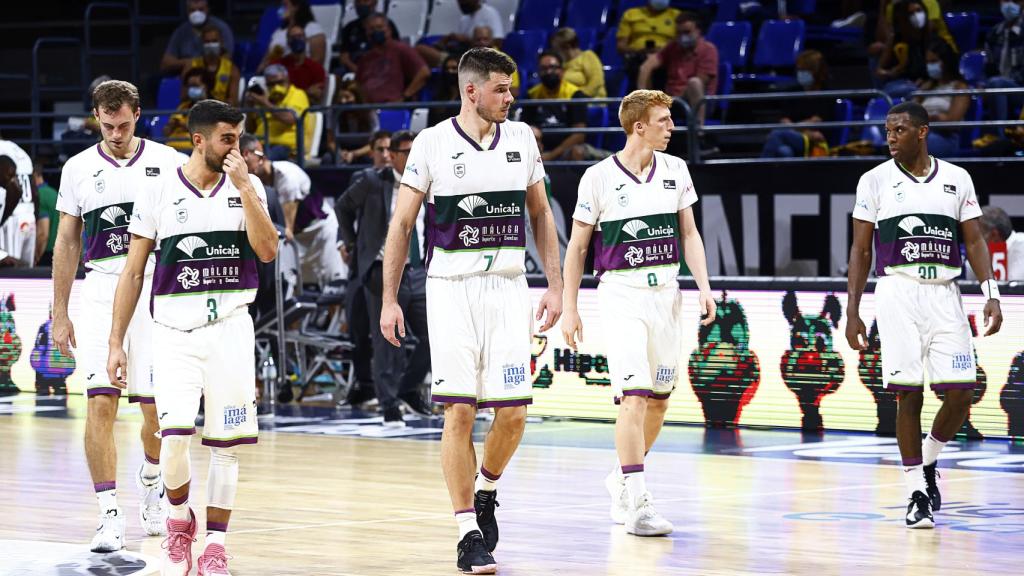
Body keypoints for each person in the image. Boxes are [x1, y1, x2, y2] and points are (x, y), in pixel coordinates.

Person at [378, 47, 562, 573]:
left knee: (514, 413)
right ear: (471, 90)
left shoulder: (523, 138)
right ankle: (466, 533)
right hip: (451, 287)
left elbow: (541, 215)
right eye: (501, 88)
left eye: (511, 88)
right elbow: (400, 226)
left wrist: (555, 285)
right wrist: (390, 299)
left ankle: (486, 489)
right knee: (460, 410)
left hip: (508, 286)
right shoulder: (432, 144)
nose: (511, 97)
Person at [106, 99, 277, 574]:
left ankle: (217, 546)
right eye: (227, 139)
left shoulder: (249, 184)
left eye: (238, 138)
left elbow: (267, 251)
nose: (236, 148)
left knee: (226, 445)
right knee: (175, 438)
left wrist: (245, 189)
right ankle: (180, 522)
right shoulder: (158, 190)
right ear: (198, 140)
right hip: (174, 333)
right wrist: (117, 341)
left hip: (230, 330)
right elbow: (133, 273)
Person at [561, 89, 715, 537]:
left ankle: (621, 476)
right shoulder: (597, 177)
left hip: (667, 293)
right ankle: (639, 500)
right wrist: (571, 307)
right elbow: (578, 247)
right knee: (634, 396)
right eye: (664, 120)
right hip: (621, 293)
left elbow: (689, 235)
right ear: (639, 126)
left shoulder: (677, 170)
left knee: (660, 401)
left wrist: (704, 287)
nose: (672, 127)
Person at [846, 101, 1003, 529]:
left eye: (898, 130)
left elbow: (973, 241)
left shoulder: (957, 178)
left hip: (946, 294)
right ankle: (916, 492)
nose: (890, 137)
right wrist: (853, 310)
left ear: (922, 132)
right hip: (897, 293)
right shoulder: (873, 180)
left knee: (960, 394)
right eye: (887, 130)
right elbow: (860, 250)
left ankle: (930, 460)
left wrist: (991, 293)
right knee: (908, 394)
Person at [51, 80, 182, 552]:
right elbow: (66, 242)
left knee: (155, 412)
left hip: (151, 291)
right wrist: (60, 312)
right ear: (96, 118)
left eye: (124, 123)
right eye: (108, 125)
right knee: (99, 403)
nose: (117, 132)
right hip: (102, 289)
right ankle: (109, 515)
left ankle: (151, 477)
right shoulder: (78, 167)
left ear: (139, 114)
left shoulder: (169, 161)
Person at [336, 130, 432, 426]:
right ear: (393, 155)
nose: (414, 156)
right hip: (382, 269)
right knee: (389, 340)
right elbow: (342, 207)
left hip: (418, 269)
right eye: (407, 151)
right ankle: (389, 403)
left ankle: (407, 388)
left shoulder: (429, 181)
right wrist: (352, 244)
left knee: (434, 334)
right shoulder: (372, 181)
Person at [241, 134, 346, 289]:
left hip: (320, 232)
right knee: (294, 287)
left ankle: (333, 313)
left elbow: (287, 229)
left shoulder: (287, 175)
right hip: (297, 239)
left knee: (332, 285)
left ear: (257, 154)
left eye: (245, 156)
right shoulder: (251, 183)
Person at [638, 12, 717, 126]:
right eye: (679, 33)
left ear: (698, 31)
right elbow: (646, 66)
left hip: (698, 101)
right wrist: (643, 94)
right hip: (673, 101)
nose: (682, 37)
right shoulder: (673, 47)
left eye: (687, 32)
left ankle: (698, 129)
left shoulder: (709, 50)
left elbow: (701, 82)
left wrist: (676, 99)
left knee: (694, 83)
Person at [875, 0, 956, 99]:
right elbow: (879, 70)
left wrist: (929, 81)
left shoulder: (934, 40)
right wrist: (891, 73)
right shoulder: (896, 38)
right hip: (903, 82)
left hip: (926, 84)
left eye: (919, 11)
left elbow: (942, 70)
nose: (917, 16)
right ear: (904, 18)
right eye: (911, 13)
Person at [761, 50, 834, 158]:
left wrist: (790, 128)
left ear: (816, 72)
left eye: (804, 70)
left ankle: (759, 169)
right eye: (799, 70)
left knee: (777, 134)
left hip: (814, 143)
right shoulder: (793, 91)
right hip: (797, 136)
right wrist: (802, 129)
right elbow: (784, 119)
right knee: (784, 151)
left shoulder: (826, 94)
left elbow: (816, 122)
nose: (800, 73)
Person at [522, 51, 588, 161]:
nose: (548, 72)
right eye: (544, 68)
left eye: (553, 67)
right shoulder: (532, 95)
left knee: (578, 151)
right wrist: (535, 143)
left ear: (562, 71)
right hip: (540, 150)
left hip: (565, 149)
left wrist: (551, 155)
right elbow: (525, 129)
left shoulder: (575, 94)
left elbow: (579, 135)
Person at [355, 13, 431, 104]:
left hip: (391, 107)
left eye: (379, 27)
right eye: (371, 29)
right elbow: (357, 85)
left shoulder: (401, 49)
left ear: (389, 30)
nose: (375, 31)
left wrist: (404, 97)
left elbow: (424, 72)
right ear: (367, 33)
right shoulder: (365, 58)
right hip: (367, 109)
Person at [247, 64, 313, 160]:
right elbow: (250, 129)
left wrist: (265, 103)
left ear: (287, 80)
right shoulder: (264, 98)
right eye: (271, 84)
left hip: (287, 147)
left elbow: (290, 119)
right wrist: (250, 107)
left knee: (263, 159)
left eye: (280, 82)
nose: (276, 87)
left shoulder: (298, 94)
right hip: (261, 144)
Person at [915, 41, 969, 158]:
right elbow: (910, 114)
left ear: (946, 62)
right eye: (928, 62)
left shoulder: (959, 87)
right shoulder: (926, 87)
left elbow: (951, 121)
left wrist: (924, 119)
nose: (930, 66)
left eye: (934, 61)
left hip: (944, 137)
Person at [416, 0, 506, 68]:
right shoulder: (464, 19)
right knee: (420, 50)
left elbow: (498, 42)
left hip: (476, 58)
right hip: (461, 53)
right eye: (459, 2)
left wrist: (467, 40)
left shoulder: (489, 13)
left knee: (420, 50)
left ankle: (452, 65)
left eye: (464, 1)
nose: (461, 4)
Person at [616, 0, 681, 87]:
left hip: (667, 57)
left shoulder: (677, 16)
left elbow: (681, 42)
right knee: (642, 62)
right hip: (637, 57)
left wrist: (663, 51)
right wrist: (639, 51)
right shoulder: (631, 14)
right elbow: (621, 46)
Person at [161, 0, 235, 75]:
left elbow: (227, 57)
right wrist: (187, 62)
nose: (197, 14)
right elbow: (166, 62)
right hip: (187, 75)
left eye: (201, 9)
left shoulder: (221, 28)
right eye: (192, 10)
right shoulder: (180, 31)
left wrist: (199, 63)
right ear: (187, 11)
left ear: (208, 9)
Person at [984, 0, 1024, 131]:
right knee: (993, 84)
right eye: (1006, 0)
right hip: (997, 85)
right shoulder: (995, 32)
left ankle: (1000, 137)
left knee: (996, 84)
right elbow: (988, 66)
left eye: (1015, 0)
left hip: (1020, 88)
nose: (1009, 4)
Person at [0, 136, 37, 266]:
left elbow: (13, 190)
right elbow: (34, 190)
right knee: (27, 270)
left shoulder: (2, 152)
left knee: (10, 268)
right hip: (29, 214)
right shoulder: (20, 151)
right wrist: (35, 217)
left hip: (12, 217)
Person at [339, 0, 401, 73]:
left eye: (365, 1)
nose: (361, 4)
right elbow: (344, 58)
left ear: (375, 2)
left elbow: (395, 53)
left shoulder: (386, 25)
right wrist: (358, 71)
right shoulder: (349, 28)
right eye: (358, 1)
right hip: (354, 70)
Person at [262, 0, 327, 70]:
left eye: (285, 5)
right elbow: (267, 59)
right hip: (275, 75)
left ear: (296, 7)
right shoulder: (278, 32)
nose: (281, 9)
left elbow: (318, 61)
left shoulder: (312, 28)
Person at [271, 24, 327, 104]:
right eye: (293, 37)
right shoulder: (278, 66)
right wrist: (306, 92)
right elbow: (273, 92)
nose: (297, 39)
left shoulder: (316, 68)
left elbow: (317, 96)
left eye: (300, 36)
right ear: (288, 41)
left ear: (306, 39)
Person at [187, 26, 240, 106]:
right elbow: (183, 98)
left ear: (221, 43)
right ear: (202, 44)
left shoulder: (232, 69)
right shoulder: (191, 65)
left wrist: (210, 102)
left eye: (214, 41)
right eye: (207, 42)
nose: (211, 45)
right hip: (194, 110)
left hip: (221, 113)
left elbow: (233, 102)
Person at [550, 27, 606, 98]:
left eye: (557, 49)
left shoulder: (588, 56)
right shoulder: (561, 63)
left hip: (590, 101)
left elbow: (596, 83)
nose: (555, 53)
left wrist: (577, 97)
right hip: (568, 102)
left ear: (567, 47)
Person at [165, 67, 212, 152]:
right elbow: (166, 132)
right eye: (190, 86)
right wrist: (170, 126)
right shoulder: (183, 106)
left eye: (196, 86)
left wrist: (184, 125)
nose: (192, 89)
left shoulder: (213, 107)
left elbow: (208, 131)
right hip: (171, 147)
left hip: (193, 150)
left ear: (206, 86)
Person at [979, 205, 1024, 280]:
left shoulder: (1022, 244)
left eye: (979, 235)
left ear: (994, 234)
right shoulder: (982, 252)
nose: (974, 240)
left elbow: (1014, 287)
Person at [34, 160, 58, 266]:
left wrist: (36, 258)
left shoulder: (38, 195)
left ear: (34, 174)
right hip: (59, 252)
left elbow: (43, 234)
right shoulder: (54, 192)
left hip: (45, 255)